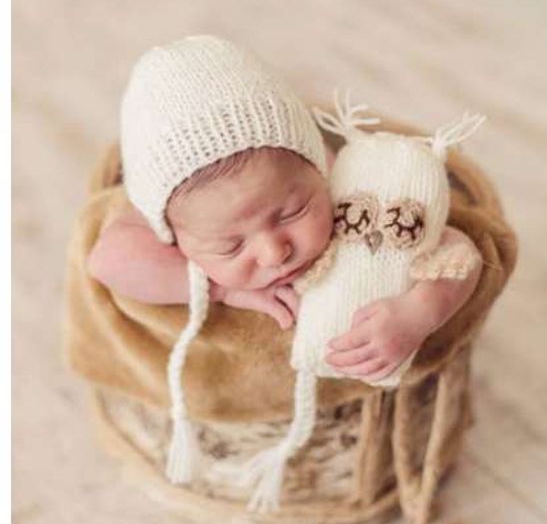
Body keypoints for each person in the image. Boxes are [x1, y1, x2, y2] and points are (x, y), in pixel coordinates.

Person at [88, 34, 482, 385]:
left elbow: (458, 250)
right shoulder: (167, 211)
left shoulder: (342, 187)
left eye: (292, 212)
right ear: (174, 237)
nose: (275, 252)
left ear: (320, 169)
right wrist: (223, 289)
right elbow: (107, 261)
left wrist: (418, 312)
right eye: (231, 246)